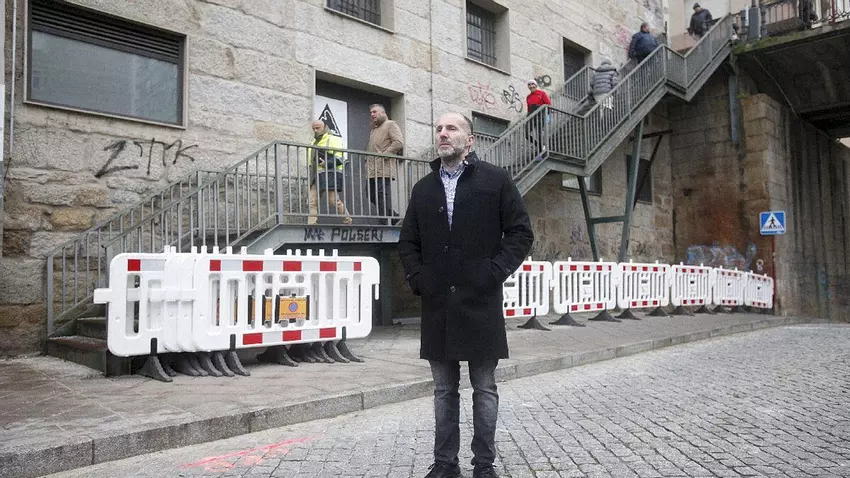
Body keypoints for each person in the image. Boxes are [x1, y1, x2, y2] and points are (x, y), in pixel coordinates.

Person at [398, 113, 534, 478]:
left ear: (469, 140)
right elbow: (408, 241)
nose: (443, 133)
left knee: (484, 389)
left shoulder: (496, 180)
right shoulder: (424, 188)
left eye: (452, 128)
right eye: (439, 129)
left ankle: (484, 466)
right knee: (444, 390)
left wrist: (494, 272)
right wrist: (419, 278)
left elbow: (521, 233)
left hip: (481, 301)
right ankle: (445, 464)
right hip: (438, 305)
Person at [307, 120, 351, 225]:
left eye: (318, 128)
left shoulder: (332, 139)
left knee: (333, 201)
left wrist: (327, 163)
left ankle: (347, 220)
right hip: (316, 175)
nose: (315, 130)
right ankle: (311, 224)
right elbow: (311, 162)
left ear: (324, 127)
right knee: (312, 201)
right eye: (313, 128)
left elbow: (340, 157)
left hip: (330, 174)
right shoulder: (313, 142)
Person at [366, 104, 404, 221]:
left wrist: (385, 154)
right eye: (371, 113)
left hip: (383, 167)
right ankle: (394, 217)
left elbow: (398, 143)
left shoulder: (390, 124)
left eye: (374, 112)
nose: (372, 114)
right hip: (371, 169)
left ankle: (385, 220)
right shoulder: (374, 129)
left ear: (383, 112)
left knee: (382, 194)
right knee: (370, 195)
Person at [525, 79, 551, 152]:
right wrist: (527, 117)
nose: (531, 86)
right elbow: (528, 109)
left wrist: (548, 116)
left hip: (540, 115)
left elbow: (548, 104)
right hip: (531, 115)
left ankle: (541, 150)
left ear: (536, 85)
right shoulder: (528, 97)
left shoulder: (542, 93)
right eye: (529, 85)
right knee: (526, 134)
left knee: (539, 134)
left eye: (532, 84)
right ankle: (540, 146)